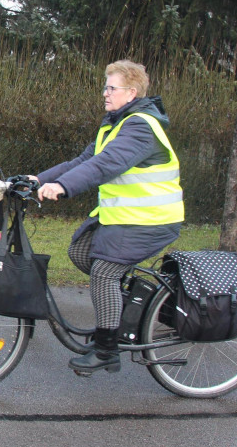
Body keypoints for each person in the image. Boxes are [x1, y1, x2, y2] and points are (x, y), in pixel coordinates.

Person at [31, 60, 184, 375]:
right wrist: (37, 179)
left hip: (152, 220)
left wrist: (63, 187)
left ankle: (106, 350)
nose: (105, 93)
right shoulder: (115, 125)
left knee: (104, 272)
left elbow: (107, 164)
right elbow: (83, 161)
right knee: (80, 252)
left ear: (131, 92)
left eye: (111, 87)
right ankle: (122, 310)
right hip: (128, 218)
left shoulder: (141, 126)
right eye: (105, 86)